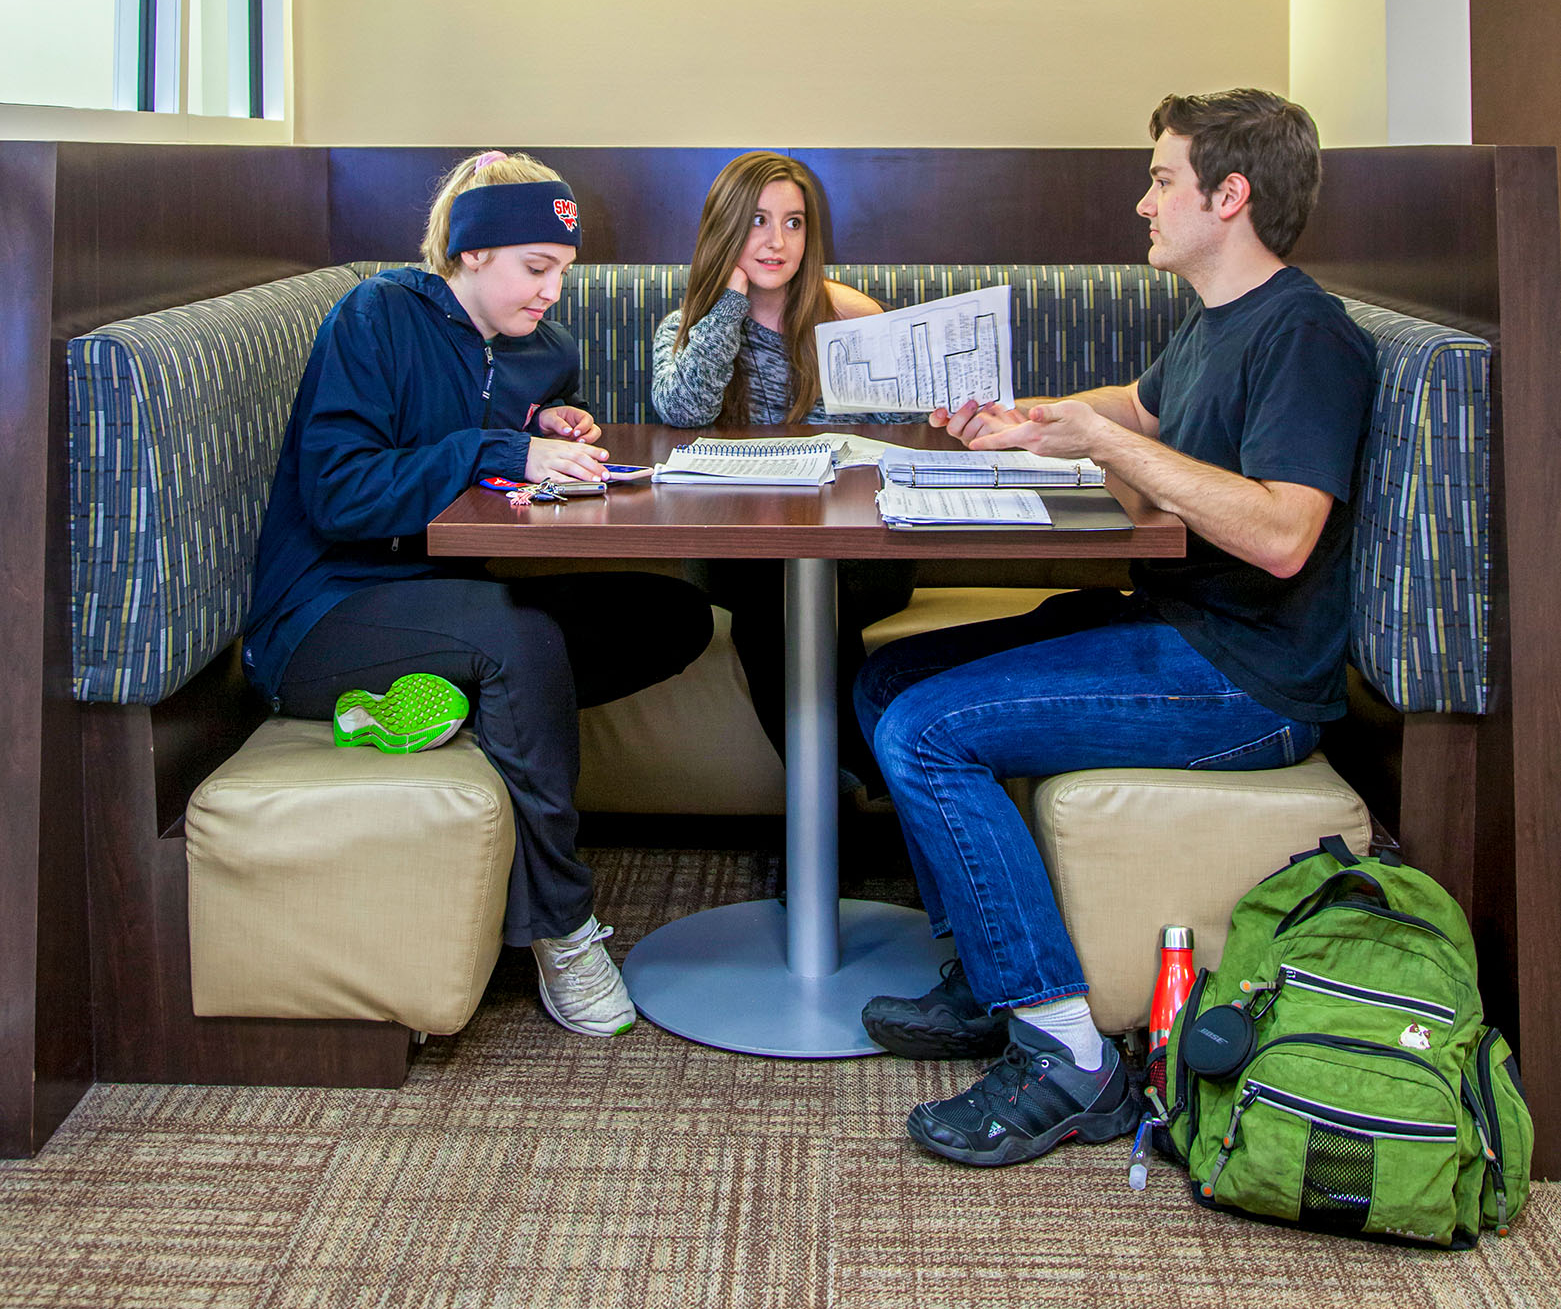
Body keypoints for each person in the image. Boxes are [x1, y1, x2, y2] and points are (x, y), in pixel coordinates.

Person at [854, 89, 1376, 1167]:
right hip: (1177, 628)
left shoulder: (1306, 335)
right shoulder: (1219, 319)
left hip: (1247, 679)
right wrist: (1029, 423)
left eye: (1160, 179)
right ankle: (989, 975)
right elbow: (1141, 407)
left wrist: (1103, 444)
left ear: (1228, 196)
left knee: (925, 730)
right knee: (884, 678)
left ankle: (1064, 1057)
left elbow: (1282, 533)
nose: (1141, 201)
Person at [244, 150, 714, 1040]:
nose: (551, 292)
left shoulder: (539, 348)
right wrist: (502, 448)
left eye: (564, 273)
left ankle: (464, 706)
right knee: (518, 645)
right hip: (321, 617)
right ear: (467, 255)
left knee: (670, 613)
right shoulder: (377, 315)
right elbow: (341, 493)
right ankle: (562, 929)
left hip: (446, 601)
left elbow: (505, 404)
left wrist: (548, 421)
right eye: (536, 269)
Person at [650, 151, 916, 789]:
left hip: (857, 553)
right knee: (773, 587)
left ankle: (830, 806)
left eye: (794, 223)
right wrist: (731, 301)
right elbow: (683, 409)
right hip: (738, 554)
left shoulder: (848, 322)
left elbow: (904, 437)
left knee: (794, 589)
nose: (777, 241)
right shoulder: (685, 327)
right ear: (726, 230)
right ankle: (864, 778)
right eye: (758, 222)